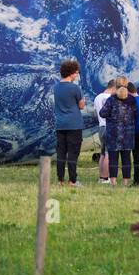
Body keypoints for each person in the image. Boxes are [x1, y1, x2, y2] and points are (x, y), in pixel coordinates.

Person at [53, 59, 85, 187]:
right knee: (73, 153)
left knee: (61, 153)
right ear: (71, 73)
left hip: (60, 124)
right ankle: (73, 180)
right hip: (74, 124)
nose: (77, 75)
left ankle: (60, 179)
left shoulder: (56, 87)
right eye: (76, 73)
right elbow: (81, 106)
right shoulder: (75, 88)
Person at [98, 76, 135, 186]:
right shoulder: (131, 99)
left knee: (113, 158)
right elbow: (136, 114)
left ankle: (113, 182)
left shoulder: (111, 99)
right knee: (126, 159)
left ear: (116, 85)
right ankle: (125, 182)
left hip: (113, 133)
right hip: (128, 133)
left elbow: (102, 113)